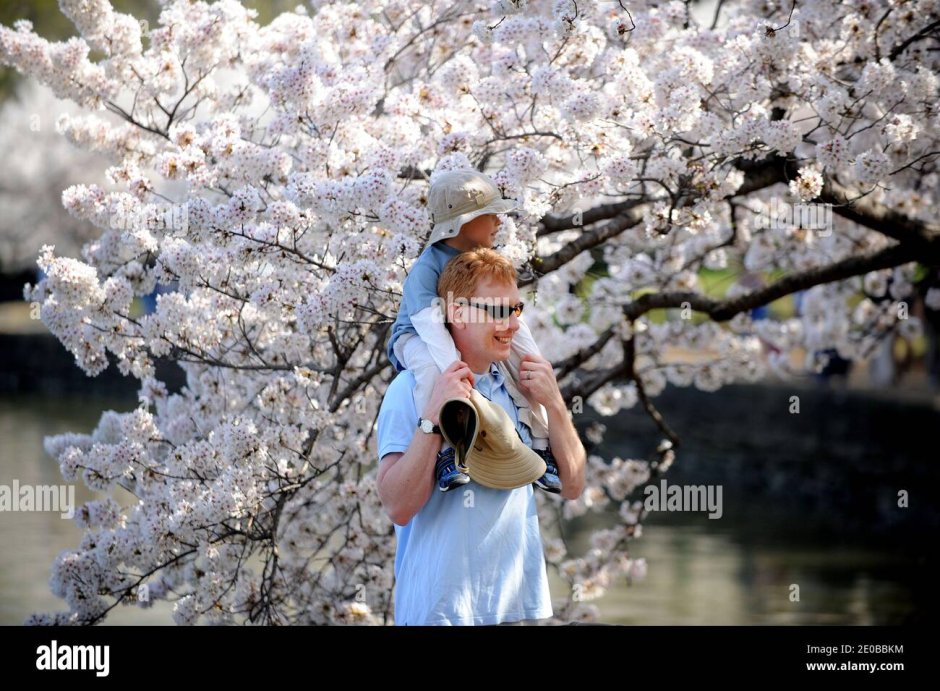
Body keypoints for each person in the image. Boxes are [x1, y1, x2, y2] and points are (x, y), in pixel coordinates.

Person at [376, 248, 587, 626]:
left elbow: (572, 485)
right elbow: (398, 507)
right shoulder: (408, 389)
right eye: (496, 311)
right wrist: (433, 418)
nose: (512, 325)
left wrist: (555, 405)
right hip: (440, 612)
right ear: (456, 312)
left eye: (515, 309)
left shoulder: (520, 390)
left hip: (519, 609)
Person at [386, 169, 560, 493]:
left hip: (461, 326)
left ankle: (540, 445)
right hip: (416, 336)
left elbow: (508, 316)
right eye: (490, 214)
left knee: (530, 366)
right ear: (462, 222)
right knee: (433, 373)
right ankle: (448, 451)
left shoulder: (481, 260)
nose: (498, 221)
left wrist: (525, 351)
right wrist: (455, 369)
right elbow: (428, 324)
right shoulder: (428, 266)